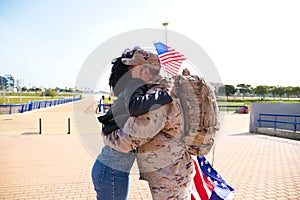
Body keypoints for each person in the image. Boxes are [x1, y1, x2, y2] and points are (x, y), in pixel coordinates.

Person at [103, 49, 194, 199]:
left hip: (169, 178)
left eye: (131, 68)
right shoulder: (163, 90)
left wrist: (105, 135)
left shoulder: (157, 97)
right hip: (173, 171)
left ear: (145, 71)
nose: (127, 73)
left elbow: (126, 141)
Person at [91, 47, 173, 200]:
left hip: (112, 170)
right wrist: (163, 95)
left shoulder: (140, 86)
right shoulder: (134, 84)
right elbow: (135, 108)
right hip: (111, 171)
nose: (129, 70)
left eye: (132, 67)